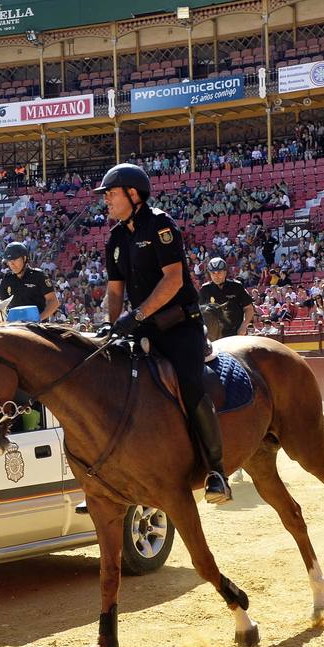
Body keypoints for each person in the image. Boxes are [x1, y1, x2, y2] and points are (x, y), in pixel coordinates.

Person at [96, 163, 230, 502]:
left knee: (189, 382)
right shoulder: (114, 238)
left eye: (111, 194)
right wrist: (112, 326)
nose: (106, 201)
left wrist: (136, 313)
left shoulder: (160, 225)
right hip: (140, 328)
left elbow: (173, 280)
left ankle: (216, 470)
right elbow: (114, 291)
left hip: (179, 325)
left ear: (132, 194)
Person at [0, 241, 58, 321]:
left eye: (15, 260)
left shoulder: (39, 276)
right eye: (9, 261)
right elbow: (1, 303)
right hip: (14, 326)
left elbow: (53, 302)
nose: (12, 264)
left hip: (37, 327)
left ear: (24, 258)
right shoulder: (7, 279)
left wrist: (38, 319)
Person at [198, 257, 254, 338]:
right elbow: (201, 313)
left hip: (236, 333)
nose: (216, 276)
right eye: (213, 273)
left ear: (225, 272)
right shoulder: (205, 289)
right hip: (214, 335)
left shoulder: (236, 286)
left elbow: (249, 308)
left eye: (219, 272)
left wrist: (244, 326)